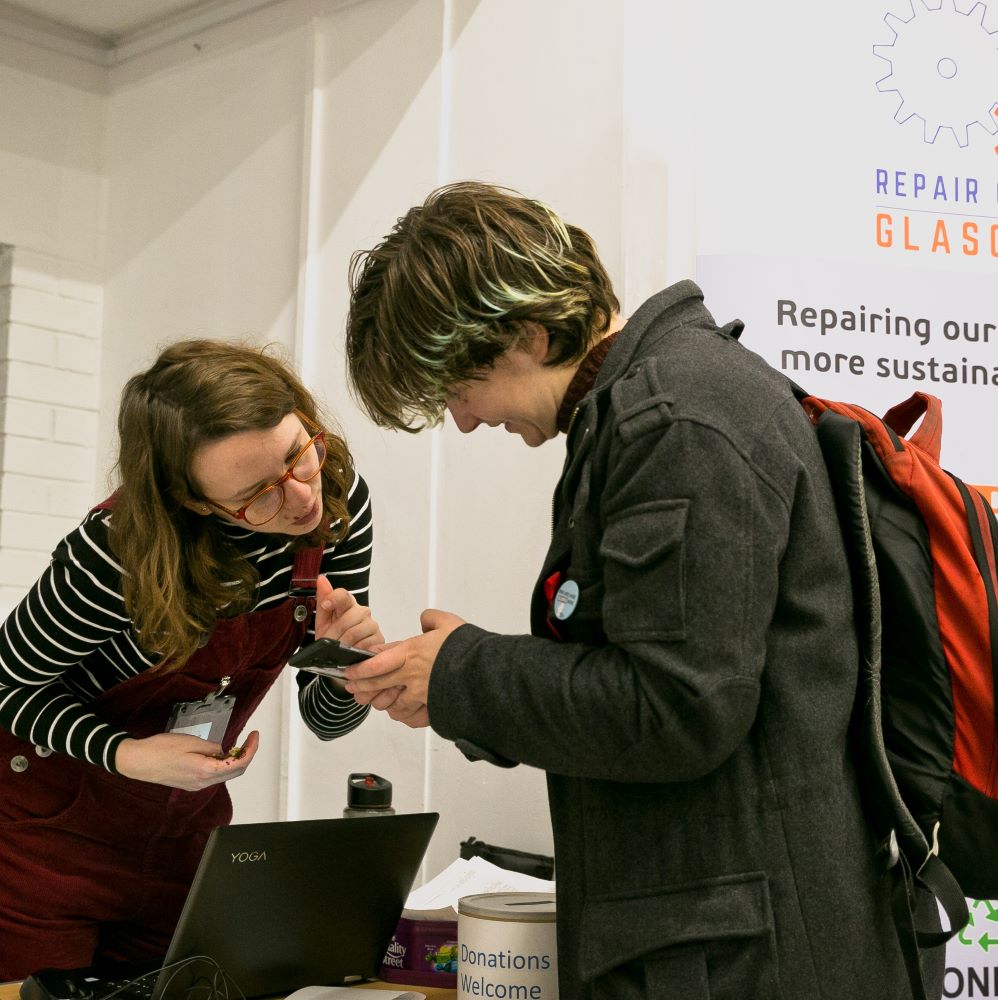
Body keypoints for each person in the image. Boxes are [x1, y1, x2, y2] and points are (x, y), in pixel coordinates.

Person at [341, 182, 944, 999]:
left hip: (746, 962)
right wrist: (452, 681)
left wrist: (464, 674)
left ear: (526, 332)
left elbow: (677, 706)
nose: (464, 422)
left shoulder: (675, 420)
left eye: (456, 388)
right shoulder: (651, 406)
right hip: (730, 945)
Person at [0, 339, 381, 979]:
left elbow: (325, 720)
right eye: (258, 494)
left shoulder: (335, 505)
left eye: (299, 454)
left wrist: (350, 668)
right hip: (43, 846)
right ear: (195, 502)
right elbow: (6, 685)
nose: (300, 499)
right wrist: (126, 754)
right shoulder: (117, 553)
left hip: (182, 841)